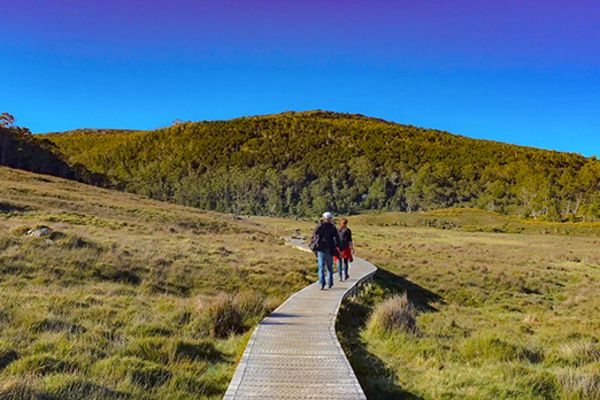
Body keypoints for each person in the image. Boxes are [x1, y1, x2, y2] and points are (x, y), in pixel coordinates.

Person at [309, 211, 339, 290]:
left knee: (321, 267)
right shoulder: (332, 227)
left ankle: (322, 283)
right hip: (330, 249)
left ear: (323, 218)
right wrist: (339, 247)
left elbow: (314, 236)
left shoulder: (319, 226)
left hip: (320, 249)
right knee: (329, 267)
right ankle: (330, 283)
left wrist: (312, 245)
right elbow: (337, 238)